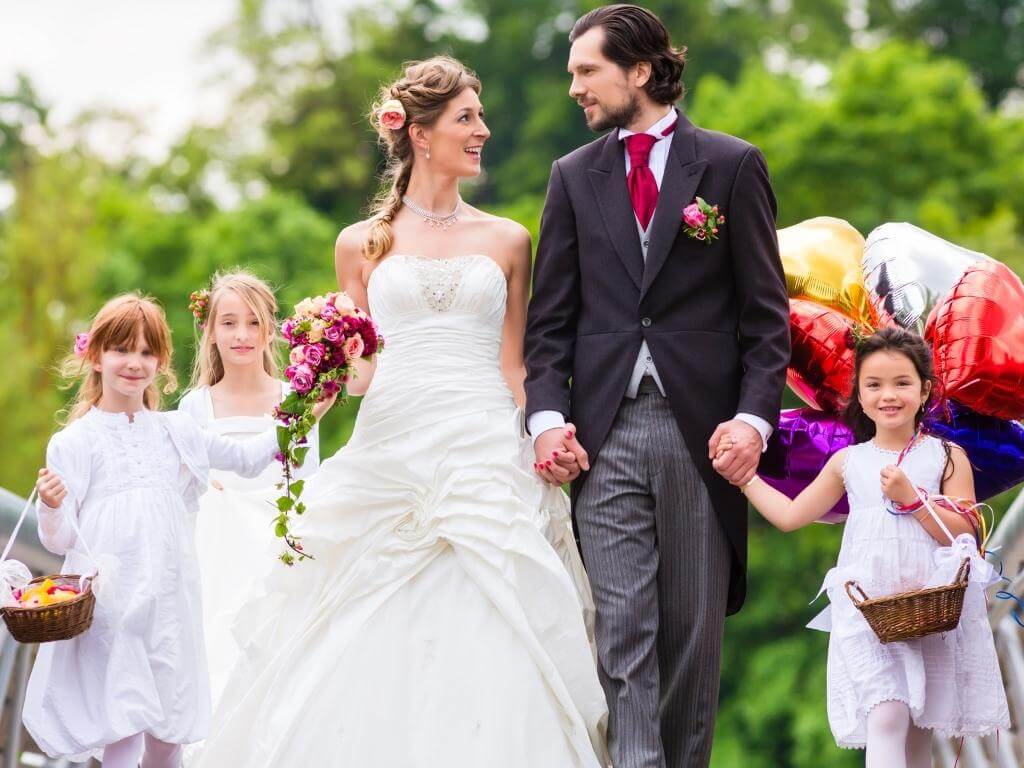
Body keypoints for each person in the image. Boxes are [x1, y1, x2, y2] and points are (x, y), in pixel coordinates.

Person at [196, 56, 609, 768]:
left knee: (497, 622)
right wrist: (320, 371)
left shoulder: (509, 240)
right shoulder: (361, 244)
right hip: (391, 443)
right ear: (419, 133)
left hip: (483, 444)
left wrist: (547, 429)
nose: (482, 129)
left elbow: (518, 365)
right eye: (466, 118)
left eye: (479, 115)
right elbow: (362, 378)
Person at [524, 5, 790, 767]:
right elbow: (550, 324)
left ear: (638, 71)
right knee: (622, 633)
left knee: (692, 641)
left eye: (586, 71)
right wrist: (546, 420)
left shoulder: (733, 165)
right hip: (603, 437)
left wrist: (752, 423)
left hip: (705, 437)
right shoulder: (572, 178)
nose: (574, 87)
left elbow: (766, 322)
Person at [24, 294, 333, 767]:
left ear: (162, 363)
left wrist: (304, 414)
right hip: (115, 610)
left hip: (172, 606)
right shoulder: (74, 443)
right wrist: (50, 506)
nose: (134, 363)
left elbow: (250, 459)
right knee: (124, 734)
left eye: (147, 352)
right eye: (122, 350)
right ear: (95, 356)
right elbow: (62, 541)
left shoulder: (175, 431)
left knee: (169, 740)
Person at [732, 327, 1009, 767]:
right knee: (887, 713)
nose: (888, 396)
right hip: (869, 609)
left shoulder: (946, 456)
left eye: (902, 383)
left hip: (930, 606)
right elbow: (790, 516)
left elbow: (967, 532)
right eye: (874, 385)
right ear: (858, 396)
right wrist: (745, 478)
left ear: (925, 391)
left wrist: (914, 500)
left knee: (920, 730)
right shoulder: (849, 462)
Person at [177, 268, 320, 709]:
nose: (242, 334)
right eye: (229, 322)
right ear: (211, 331)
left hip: (275, 550)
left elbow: (307, 479)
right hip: (215, 556)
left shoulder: (295, 398)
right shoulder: (194, 406)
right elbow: (188, 492)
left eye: (254, 322)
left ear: (270, 329)